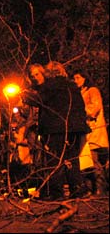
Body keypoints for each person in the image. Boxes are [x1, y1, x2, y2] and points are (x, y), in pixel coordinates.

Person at [21, 61, 91, 200]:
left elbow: (39, 100)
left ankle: (56, 192)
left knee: (54, 160)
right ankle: (77, 189)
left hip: (56, 129)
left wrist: (24, 95)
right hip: (76, 129)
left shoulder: (50, 85)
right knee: (72, 159)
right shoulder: (72, 86)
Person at [73, 70, 109, 196]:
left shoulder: (92, 91)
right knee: (86, 162)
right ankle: (90, 189)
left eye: (78, 77)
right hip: (85, 132)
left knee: (94, 161)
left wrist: (80, 111)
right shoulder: (79, 93)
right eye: (74, 78)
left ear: (84, 78)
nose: (75, 81)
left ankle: (100, 188)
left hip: (95, 131)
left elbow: (95, 107)